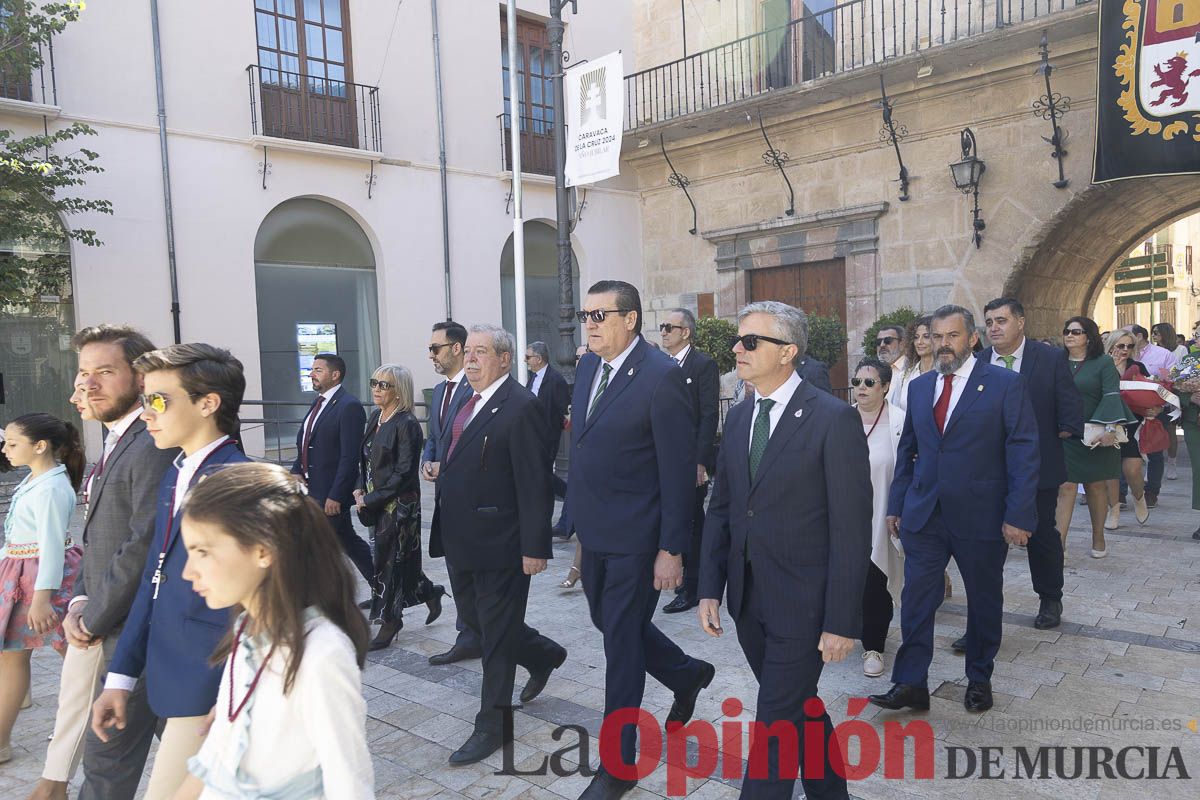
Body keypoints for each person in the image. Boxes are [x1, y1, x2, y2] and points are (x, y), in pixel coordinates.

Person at [698, 301, 870, 800]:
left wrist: (841, 620)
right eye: (738, 339)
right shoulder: (741, 415)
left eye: (751, 342)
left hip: (806, 607)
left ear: (788, 352)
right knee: (799, 707)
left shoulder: (832, 419)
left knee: (775, 726)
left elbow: (851, 530)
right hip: (750, 601)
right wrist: (710, 586)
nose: (737, 349)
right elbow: (723, 508)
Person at [568, 280, 713, 800]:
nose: (591, 323)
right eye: (587, 314)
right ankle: (687, 673)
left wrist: (671, 549)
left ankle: (618, 765)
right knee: (608, 622)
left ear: (630, 319)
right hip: (596, 532)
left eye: (600, 314)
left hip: (638, 537)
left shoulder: (660, 377)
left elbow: (677, 473)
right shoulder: (587, 366)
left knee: (621, 646)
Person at [90, 343, 249, 799]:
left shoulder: (237, 482)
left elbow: (263, 602)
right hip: (167, 673)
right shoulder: (176, 472)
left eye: (158, 400)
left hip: (210, 682)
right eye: (144, 400)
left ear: (208, 403)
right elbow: (153, 580)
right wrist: (120, 677)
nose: (146, 414)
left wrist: (232, 694)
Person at [870, 305, 1038, 715]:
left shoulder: (1003, 384)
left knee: (983, 601)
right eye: (937, 336)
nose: (944, 344)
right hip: (925, 514)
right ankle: (911, 683)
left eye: (953, 336)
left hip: (981, 516)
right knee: (916, 601)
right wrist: (897, 503)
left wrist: (1018, 514)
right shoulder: (921, 386)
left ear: (972, 339)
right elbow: (909, 449)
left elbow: (1024, 450)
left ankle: (979, 678)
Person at [170, 463, 373, 799]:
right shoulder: (246, 627)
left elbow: (349, 782)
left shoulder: (322, 653)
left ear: (263, 549)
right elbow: (220, 749)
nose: (188, 572)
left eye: (202, 552)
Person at [428, 324, 567, 765]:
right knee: (479, 623)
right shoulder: (463, 400)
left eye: (481, 352)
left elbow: (534, 483)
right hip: (461, 540)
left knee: (495, 638)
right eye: (467, 351)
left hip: (502, 544)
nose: (470, 359)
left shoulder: (521, 407)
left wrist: (535, 547)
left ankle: (493, 725)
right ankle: (544, 653)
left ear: (504, 359)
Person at [51, 325, 178, 800]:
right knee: (195, 761)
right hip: (122, 629)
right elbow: (99, 535)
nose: (89, 385)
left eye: (105, 372)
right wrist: (82, 595)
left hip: (139, 634)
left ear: (141, 377)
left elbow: (143, 543)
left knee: (105, 768)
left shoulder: (151, 443)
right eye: (85, 373)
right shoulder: (116, 439)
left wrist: (94, 616)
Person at [956, 298, 1083, 642]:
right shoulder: (976, 363)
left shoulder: (1050, 358)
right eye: (989, 322)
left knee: (1040, 536)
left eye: (1001, 320)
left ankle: (1050, 598)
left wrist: (1057, 433)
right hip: (986, 474)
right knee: (983, 548)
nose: (994, 327)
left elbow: (1069, 407)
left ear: (1021, 322)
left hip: (1037, 469)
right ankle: (980, 623)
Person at [0, 414, 84, 766]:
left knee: (75, 655)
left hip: (37, 580)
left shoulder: (50, 487)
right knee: (17, 655)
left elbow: (51, 547)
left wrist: (41, 599)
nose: (5, 450)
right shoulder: (39, 479)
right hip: (21, 573)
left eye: (12, 443)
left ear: (40, 446)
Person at [353, 364, 445, 651]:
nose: (377, 389)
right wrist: (358, 487)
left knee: (388, 562)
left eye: (384, 385)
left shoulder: (406, 424)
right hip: (375, 501)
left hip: (399, 506)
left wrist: (372, 497)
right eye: (375, 383)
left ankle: (390, 622)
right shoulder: (375, 417)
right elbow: (364, 460)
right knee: (399, 560)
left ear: (398, 391)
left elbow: (404, 472)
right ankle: (430, 592)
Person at [421, 320, 482, 666]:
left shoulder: (473, 390)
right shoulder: (441, 391)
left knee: (471, 570)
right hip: (445, 496)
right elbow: (434, 436)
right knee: (456, 567)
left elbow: (475, 439)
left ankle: (475, 633)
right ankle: (468, 633)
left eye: (436, 348)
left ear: (456, 348)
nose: (431, 355)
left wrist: (447, 465)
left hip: (470, 497)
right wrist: (428, 461)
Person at [291, 353, 371, 583]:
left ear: (335, 375)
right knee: (348, 542)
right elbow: (306, 443)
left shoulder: (349, 406)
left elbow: (349, 456)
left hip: (329, 494)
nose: (311, 374)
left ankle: (319, 600)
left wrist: (336, 495)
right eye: (312, 369)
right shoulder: (318, 403)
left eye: (318, 370)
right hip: (310, 490)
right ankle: (391, 591)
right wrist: (296, 469)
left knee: (314, 549)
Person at [659, 308, 719, 615]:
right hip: (664, 460)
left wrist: (700, 462)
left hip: (689, 461)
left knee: (693, 523)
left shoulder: (703, 365)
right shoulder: (659, 365)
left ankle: (693, 586)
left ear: (686, 332)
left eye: (670, 327)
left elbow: (709, 415)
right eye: (662, 326)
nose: (664, 331)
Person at [1056, 317, 1131, 559]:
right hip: (1064, 434)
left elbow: (1112, 395)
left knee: (1095, 487)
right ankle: (1060, 546)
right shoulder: (1056, 362)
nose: (1070, 335)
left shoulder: (1103, 364)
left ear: (1089, 336)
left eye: (1076, 332)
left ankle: (1098, 537)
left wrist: (1109, 429)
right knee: (1065, 486)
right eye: (1067, 331)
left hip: (1097, 436)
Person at [851, 358, 905, 679]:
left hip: (881, 516)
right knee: (845, 581)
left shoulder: (899, 421)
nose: (861, 388)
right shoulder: (840, 419)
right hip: (844, 518)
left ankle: (874, 646)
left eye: (869, 383)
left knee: (876, 580)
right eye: (857, 382)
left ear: (885, 387)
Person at [1105, 330, 1158, 528]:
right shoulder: (1101, 365)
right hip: (1106, 423)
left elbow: (1148, 392)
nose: (1125, 349)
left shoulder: (1137, 367)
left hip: (1131, 423)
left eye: (1129, 346)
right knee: (1110, 471)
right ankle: (1114, 510)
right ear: (1111, 345)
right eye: (1121, 345)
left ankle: (1138, 497)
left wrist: (1154, 408)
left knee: (1133, 468)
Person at [524, 340, 571, 496]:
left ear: (538, 358)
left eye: (528, 357)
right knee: (536, 472)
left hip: (547, 436)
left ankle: (568, 495)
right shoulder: (532, 377)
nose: (525, 360)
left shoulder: (556, 380)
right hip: (531, 433)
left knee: (543, 473)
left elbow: (564, 409)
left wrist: (552, 429)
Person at [1151, 322, 1183, 480]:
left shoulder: (1179, 350)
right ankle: (1152, 464)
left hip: (1173, 392)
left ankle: (1172, 463)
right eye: (1152, 332)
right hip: (1156, 391)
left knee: (1170, 429)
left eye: (1156, 332)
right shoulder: (1152, 350)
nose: (1154, 335)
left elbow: (1181, 372)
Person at [886, 316, 933, 411]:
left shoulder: (945, 375)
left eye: (926, 337)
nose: (919, 342)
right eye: (916, 337)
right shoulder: (904, 376)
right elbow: (896, 409)